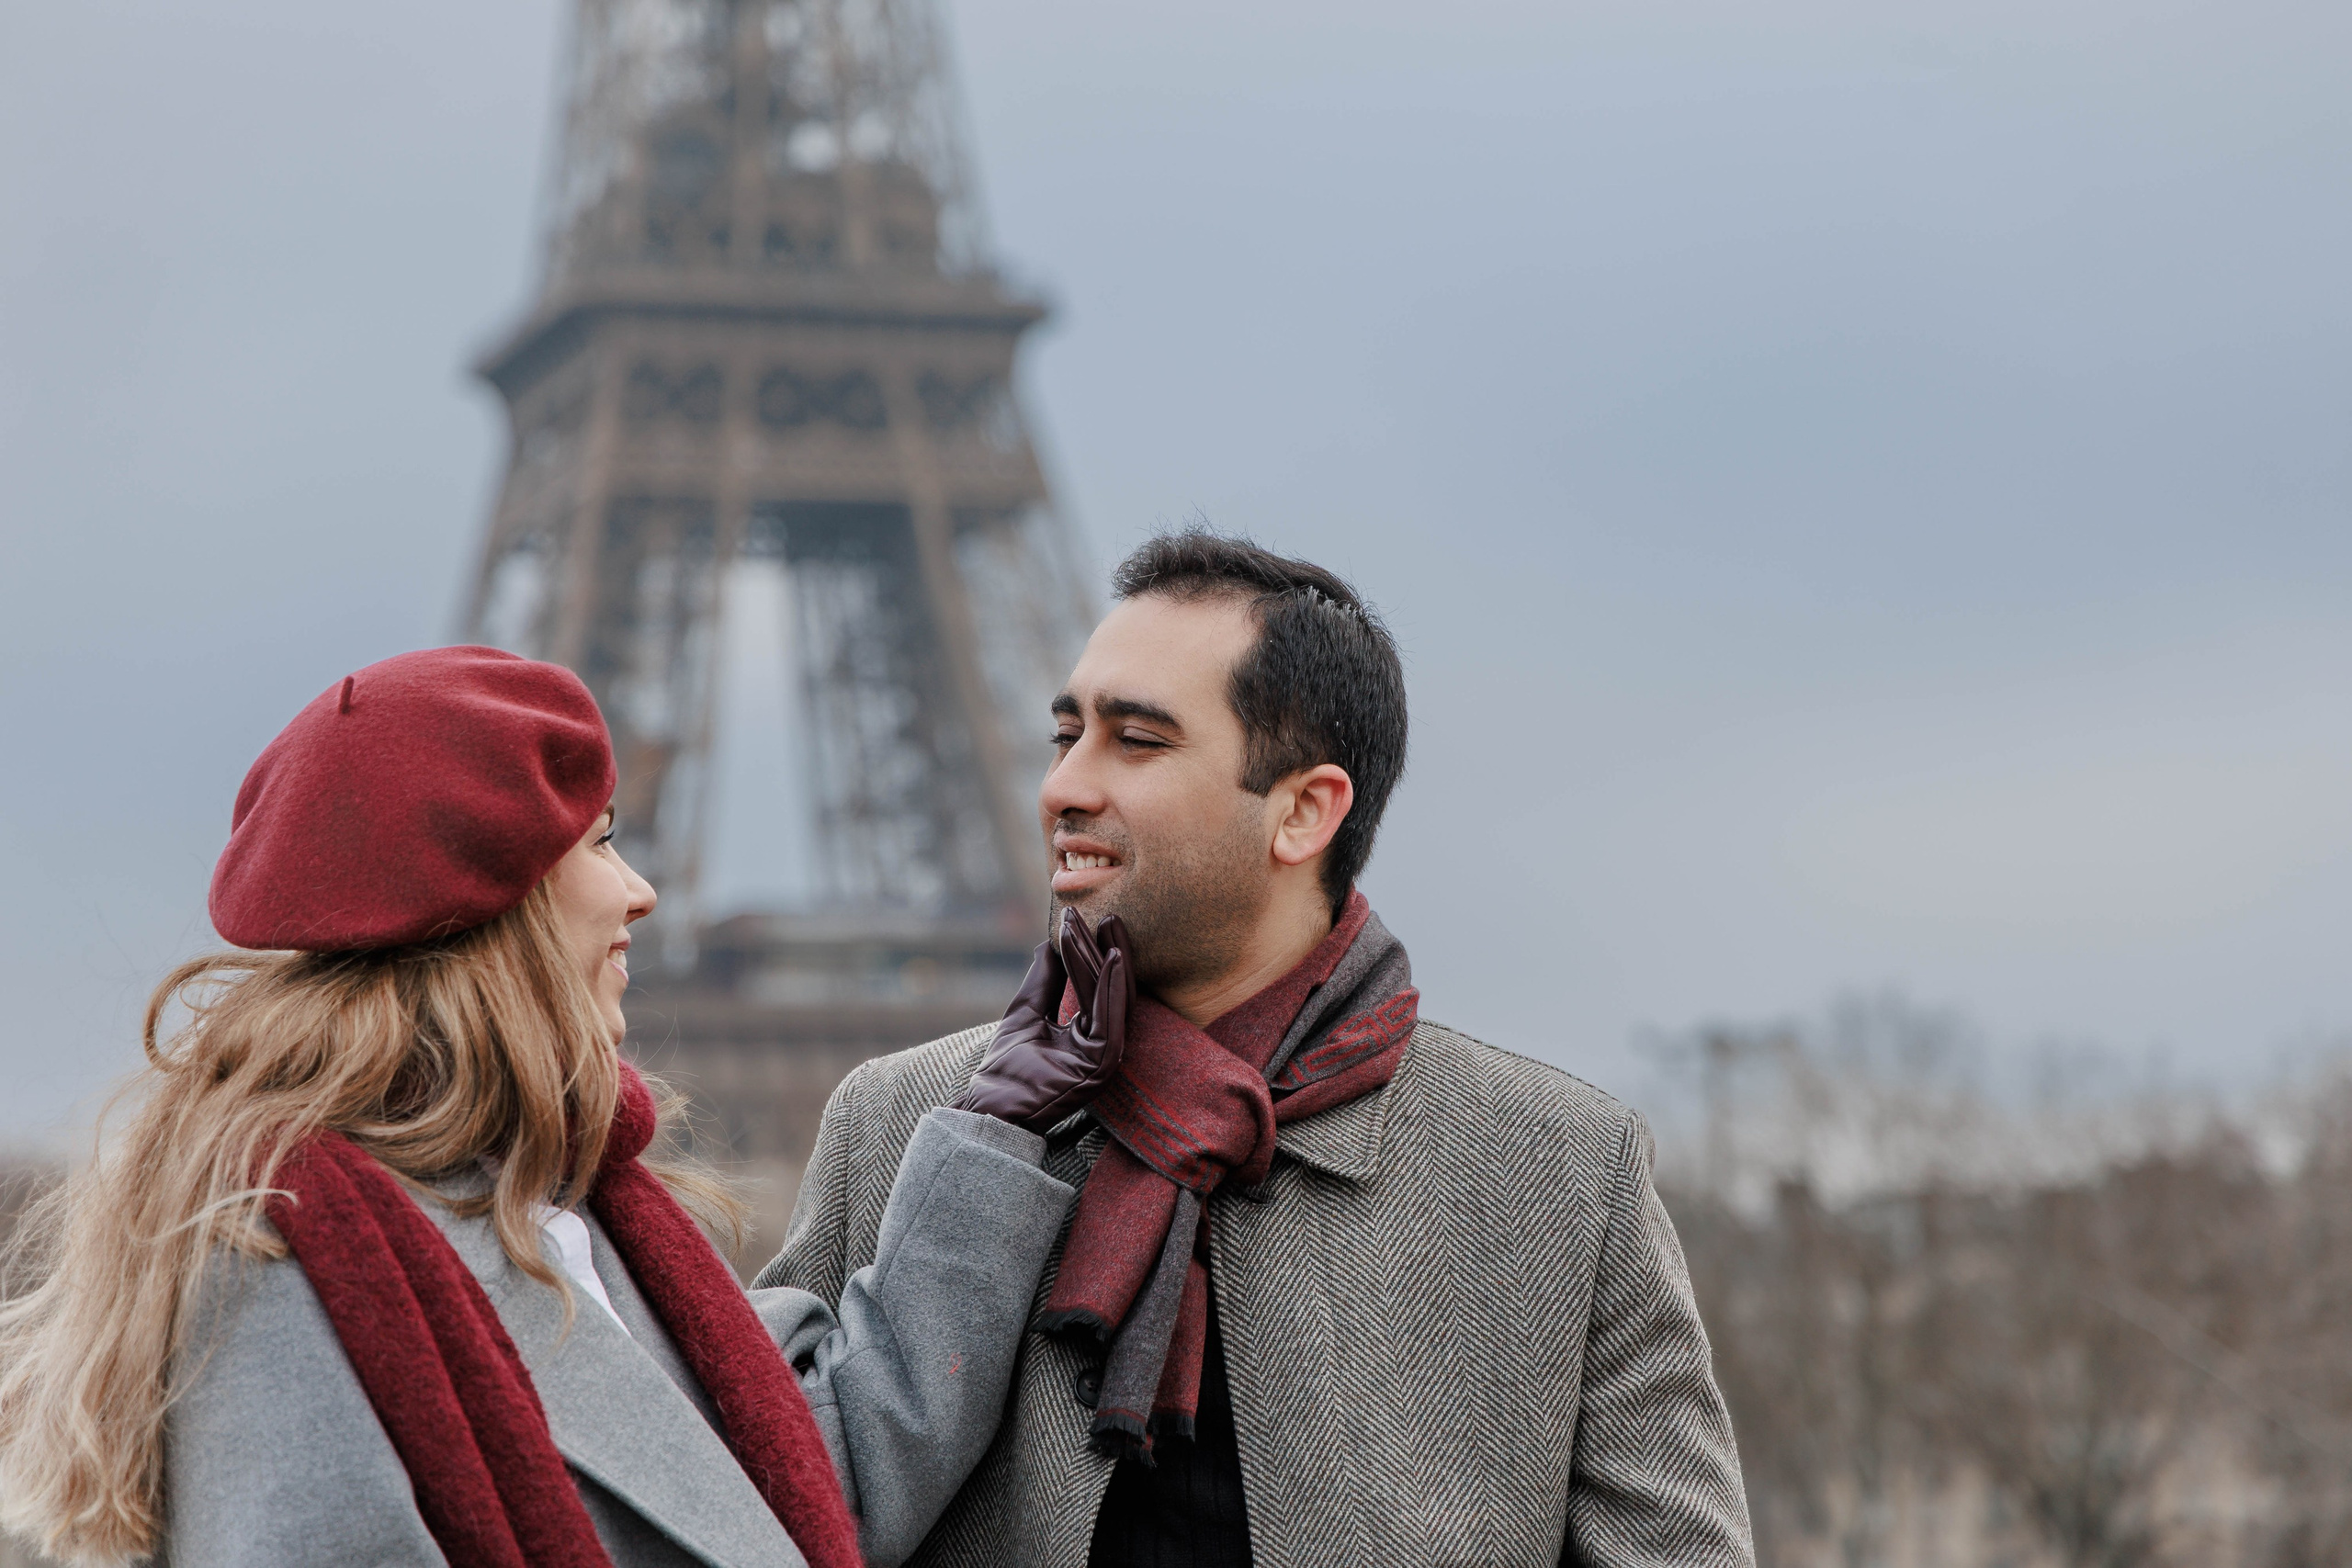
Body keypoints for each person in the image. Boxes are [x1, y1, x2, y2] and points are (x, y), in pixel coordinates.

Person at [0, 646, 1125, 1568]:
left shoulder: (558, 1210)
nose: (639, 890)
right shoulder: (282, 1255)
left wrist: (992, 1136)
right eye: (600, 842)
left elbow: (790, 1498)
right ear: (495, 903)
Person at [762, 533, 1757, 1567]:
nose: (1064, 786)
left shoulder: (1562, 1172)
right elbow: (751, 1517)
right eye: (1065, 736)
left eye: (1136, 741)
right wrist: (982, 1156)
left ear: (1302, 812)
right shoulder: (899, 1123)